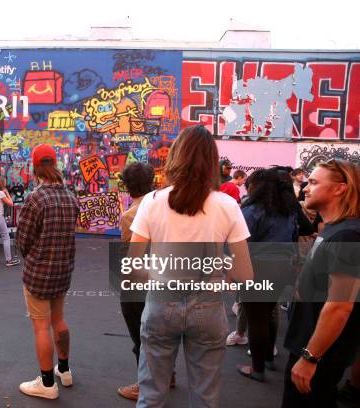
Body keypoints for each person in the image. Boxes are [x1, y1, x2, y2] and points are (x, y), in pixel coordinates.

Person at [130, 125, 253, 408]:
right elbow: (245, 273)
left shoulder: (152, 202)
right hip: (209, 308)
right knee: (205, 398)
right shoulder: (227, 205)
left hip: (161, 302)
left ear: (175, 157)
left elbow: (134, 264)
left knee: (151, 395)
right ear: (212, 163)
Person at [282, 159, 360, 407]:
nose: (306, 187)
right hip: (310, 345)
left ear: (340, 188)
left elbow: (340, 306)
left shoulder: (347, 235)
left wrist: (310, 358)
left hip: (320, 355)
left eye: (314, 182)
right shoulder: (335, 229)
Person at [16, 144, 79, 400]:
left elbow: (23, 240)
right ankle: (64, 370)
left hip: (39, 274)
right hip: (63, 271)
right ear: (54, 164)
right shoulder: (70, 196)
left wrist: (32, 255)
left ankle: (46, 383)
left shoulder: (35, 198)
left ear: (35, 167)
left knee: (41, 327)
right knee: (58, 320)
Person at [117, 162, 175, 401]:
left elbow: (130, 256)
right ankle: (168, 375)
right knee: (163, 334)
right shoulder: (167, 204)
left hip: (139, 283)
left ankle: (145, 385)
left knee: (141, 336)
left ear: (128, 186)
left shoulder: (131, 214)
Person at [236, 169, 298, 382]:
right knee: (269, 312)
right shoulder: (287, 210)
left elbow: (240, 242)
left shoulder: (253, 210)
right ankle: (269, 359)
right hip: (283, 267)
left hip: (258, 267)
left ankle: (257, 368)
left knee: (256, 318)